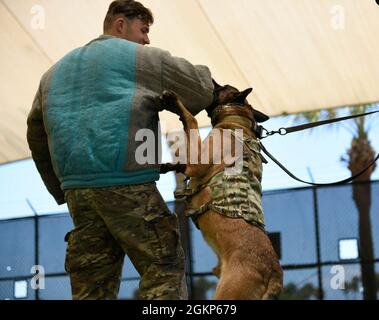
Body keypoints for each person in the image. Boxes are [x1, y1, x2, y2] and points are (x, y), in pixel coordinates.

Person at [26, 0, 214, 300]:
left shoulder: (52, 73)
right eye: (144, 30)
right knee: (163, 269)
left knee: (92, 288)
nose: (147, 39)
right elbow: (200, 90)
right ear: (120, 25)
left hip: (78, 195)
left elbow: (36, 134)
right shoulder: (139, 58)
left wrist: (60, 188)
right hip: (128, 185)